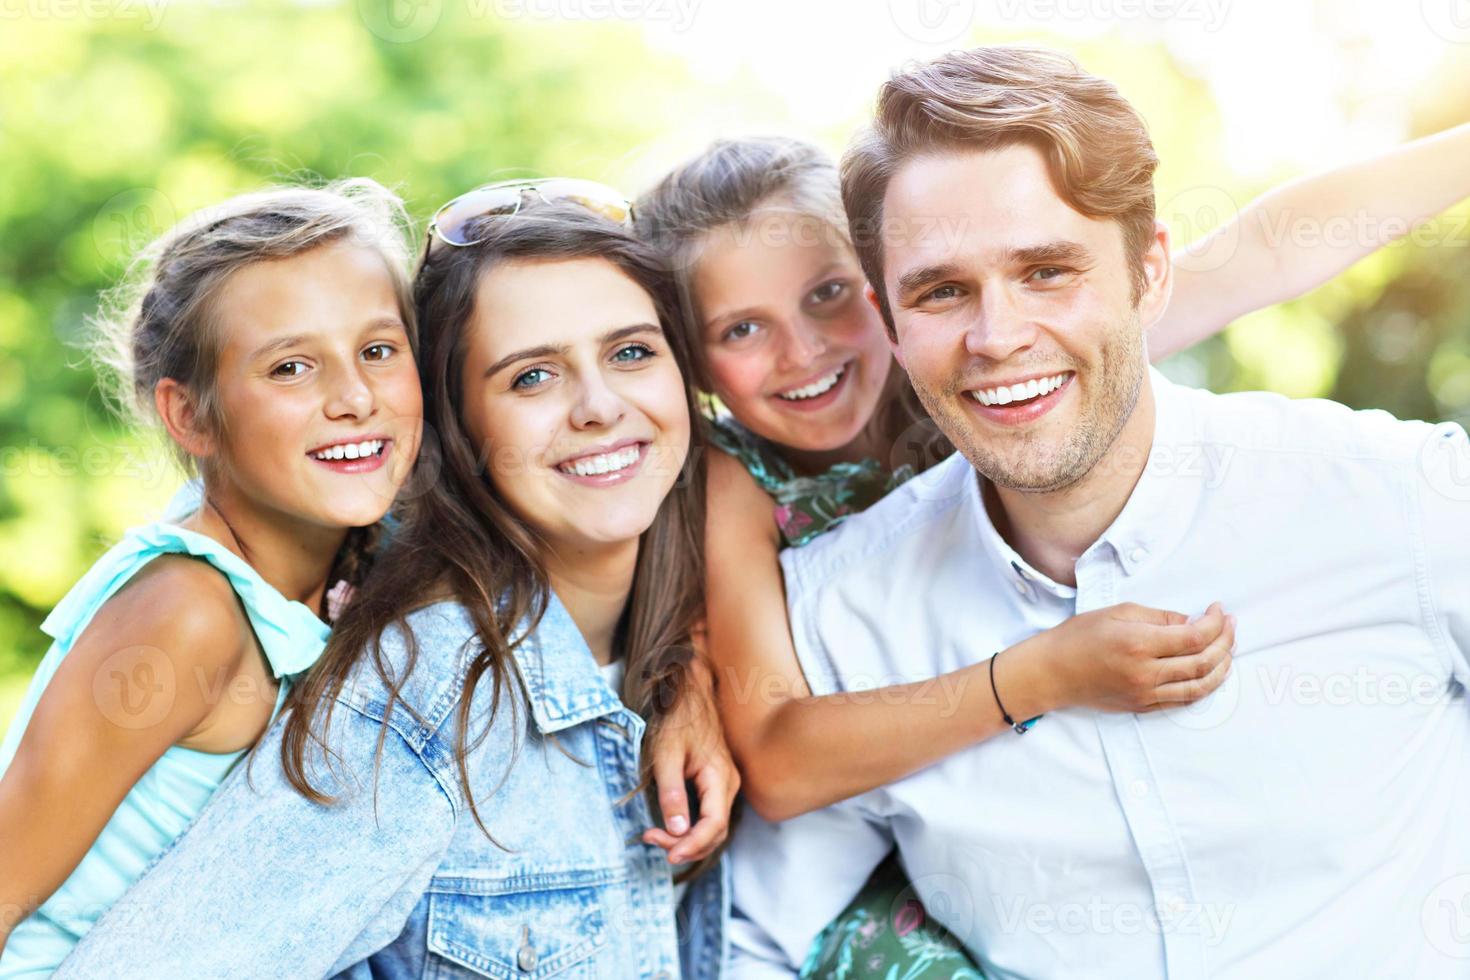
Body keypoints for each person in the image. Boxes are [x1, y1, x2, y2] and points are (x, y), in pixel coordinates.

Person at [725, 45, 1470, 979]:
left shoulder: (1400, 503)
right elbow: (754, 941)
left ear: (1150, 276)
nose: (997, 339)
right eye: (944, 290)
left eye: (1046, 271)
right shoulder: (843, 615)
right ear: (889, 320)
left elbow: (1281, 241)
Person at [54, 189, 734, 979]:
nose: (598, 407)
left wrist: (690, 670)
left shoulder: (723, 618)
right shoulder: (420, 699)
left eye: (631, 352)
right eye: (531, 377)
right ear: (455, 422)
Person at [0, 179, 425, 975]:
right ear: (190, 417)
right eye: (292, 368)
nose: (356, 396)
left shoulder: (331, 580)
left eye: (377, 350)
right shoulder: (187, 609)